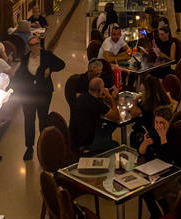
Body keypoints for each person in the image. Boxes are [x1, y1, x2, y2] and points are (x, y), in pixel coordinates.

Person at [11, 31, 65, 161]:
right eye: (31, 45)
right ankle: (29, 147)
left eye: (36, 44)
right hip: (28, 94)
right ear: (29, 46)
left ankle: (43, 145)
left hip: (43, 93)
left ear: (39, 45)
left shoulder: (47, 56)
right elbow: (19, 76)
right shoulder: (25, 58)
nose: (34, 47)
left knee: (43, 119)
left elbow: (62, 64)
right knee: (29, 120)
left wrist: (50, 69)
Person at [69, 77, 120, 154]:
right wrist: (110, 97)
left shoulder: (83, 96)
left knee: (109, 126)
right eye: (103, 88)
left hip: (75, 137)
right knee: (116, 145)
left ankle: (105, 139)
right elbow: (116, 117)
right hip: (87, 142)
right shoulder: (97, 104)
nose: (105, 89)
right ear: (99, 90)